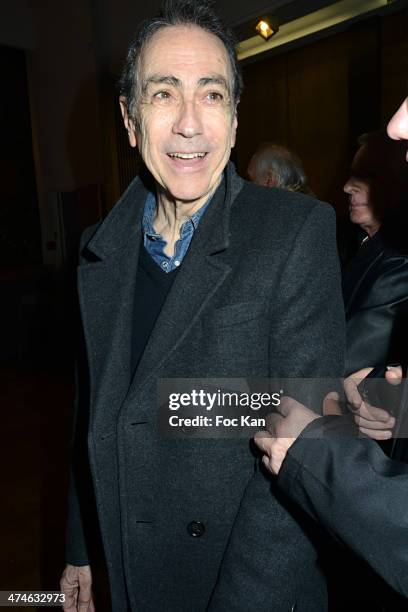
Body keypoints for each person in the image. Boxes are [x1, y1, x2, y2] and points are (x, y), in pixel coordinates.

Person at [60, 1, 345, 610]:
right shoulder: (97, 252)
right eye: (164, 94)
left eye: (211, 95)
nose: (189, 123)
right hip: (130, 562)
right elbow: (96, 409)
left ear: (235, 119)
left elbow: (301, 461)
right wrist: (81, 544)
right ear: (130, 120)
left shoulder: (296, 234)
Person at [254, 93, 408, 605]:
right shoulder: (356, 245)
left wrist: (204, 401)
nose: (399, 122)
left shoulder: (395, 260)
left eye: (361, 180)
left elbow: (339, 364)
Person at [342, 131, 408, 375]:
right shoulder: (360, 243)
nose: (347, 187)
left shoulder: (400, 262)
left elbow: (347, 362)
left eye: (367, 177)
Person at [247, 142, 314, 194]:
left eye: (252, 180)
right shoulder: (314, 206)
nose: (248, 187)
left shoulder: (277, 209)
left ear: (270, 180)